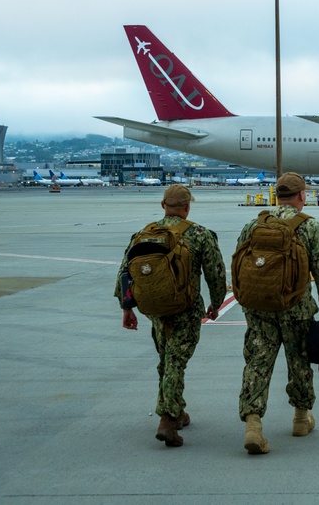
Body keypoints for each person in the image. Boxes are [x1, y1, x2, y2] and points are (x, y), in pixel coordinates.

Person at [116, 184, 226, 448]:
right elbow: (216, 273)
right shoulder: (199, 234)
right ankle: (167, 418)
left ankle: (177, 411)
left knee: (167, 359)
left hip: (154, 310)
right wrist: (215, 303)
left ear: (163, 205)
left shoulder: (143, 235)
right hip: (185, 310)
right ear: (187, 208)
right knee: (176, 361)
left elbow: (124, 273)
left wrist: (127, 308)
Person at [238, 172, 319, 455]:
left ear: (276, 195)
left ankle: (253, 425)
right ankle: (300, 418)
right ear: (302, 196)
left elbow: (241, 266)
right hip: (297, 308)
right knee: (299, 363)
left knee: (258, 364)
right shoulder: (311, 228)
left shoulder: (253, 226)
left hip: (260, 309)